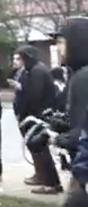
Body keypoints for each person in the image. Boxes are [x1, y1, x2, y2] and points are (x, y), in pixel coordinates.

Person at [14, 45, 62, 194]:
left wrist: (27, 115)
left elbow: (34, 96)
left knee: (41, 150)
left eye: (22, 57)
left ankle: (51, 183)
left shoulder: (37, 72)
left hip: (37, 116)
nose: (20, 61)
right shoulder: (33, 70)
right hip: (36, 115)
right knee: (37, 149)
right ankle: (44, 177)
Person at [55, 18, 88, 183]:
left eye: (61, 42)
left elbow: (82, 132)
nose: (58, 48)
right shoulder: (77, 75)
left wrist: (56, 139)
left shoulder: (83, 77)